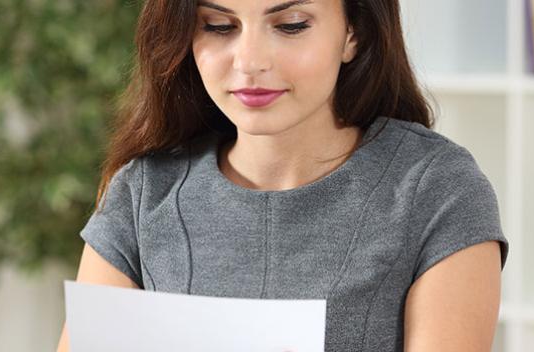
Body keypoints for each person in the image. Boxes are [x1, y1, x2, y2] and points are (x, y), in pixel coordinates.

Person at [56, 0, 508, 351]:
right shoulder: (143, 190)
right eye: (218, 25)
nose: (250, 61)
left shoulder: (436, 188)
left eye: (291, 25)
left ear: (353, 32)